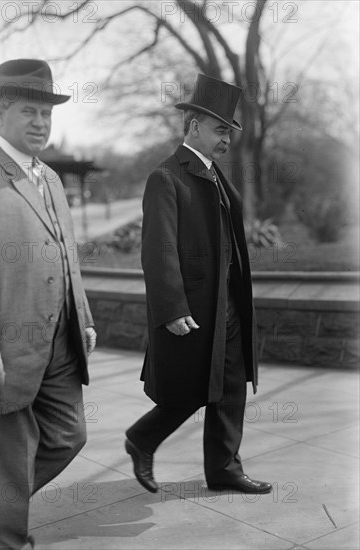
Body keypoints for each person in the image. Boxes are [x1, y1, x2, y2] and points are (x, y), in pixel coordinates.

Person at [0, 59, 97, 549]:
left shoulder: (52, 179)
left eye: (47, 113)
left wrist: (82, 317)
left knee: (69, 436)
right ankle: (8, 537)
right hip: (1, 348)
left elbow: (67, 254)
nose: (40, 122)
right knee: (9, 457)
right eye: (28, 112)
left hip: (60, 342)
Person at [125, 73, 271, 495]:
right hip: (193, 307)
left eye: (229, 131)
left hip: (228, 304)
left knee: (230, 386)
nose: (226, 139)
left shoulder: (216, 176)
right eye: (220, 129)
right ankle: (142, 439)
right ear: (194, 127)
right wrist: (172, 307)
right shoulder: (166, 177)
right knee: (188, 388)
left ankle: (224, 467)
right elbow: (158, 250)